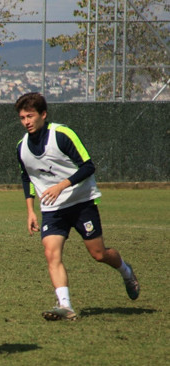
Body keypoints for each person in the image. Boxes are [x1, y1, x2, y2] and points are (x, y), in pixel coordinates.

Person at [14, 92, 140, 321]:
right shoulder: (21, 147)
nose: (26, 122)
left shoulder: (61, 135)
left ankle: (126, 271)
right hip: (52, 210)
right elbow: (27, 178)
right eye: (22, 118)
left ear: (43, 114)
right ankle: (66, 306)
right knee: (51, 253)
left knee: (99, 254)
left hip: (81, 202)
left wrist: (61, 186)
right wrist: (30, 210)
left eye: (30, 116)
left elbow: (88, 166)